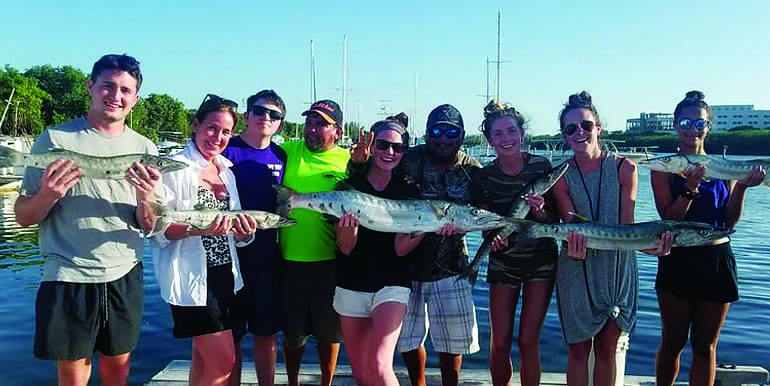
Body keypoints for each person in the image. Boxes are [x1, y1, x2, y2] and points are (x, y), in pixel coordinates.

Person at [14, 54, 161, 386]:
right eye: (108, 85)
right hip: (68, 273)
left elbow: (149, 224)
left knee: (117, 368)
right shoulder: (55, 139)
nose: (116, 95)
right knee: (73, 374)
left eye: (126, 89)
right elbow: (24, 217)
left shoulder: (144, 147)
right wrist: (48, 193)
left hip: (124, 272)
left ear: (135, 98)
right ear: (90, 86)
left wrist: (146, 195)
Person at [350, 103, 481, 386]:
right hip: (405, 267)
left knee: (452, 344)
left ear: (461, 135)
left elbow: (484, 208)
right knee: (409, 340)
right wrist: (359, 161)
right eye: (436, 130)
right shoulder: (408, 158)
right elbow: (370, 179)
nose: (443, 138)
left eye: (451, 132)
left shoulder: (472, 169)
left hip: (452, 267)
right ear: (427, 132)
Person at [550, 91, 672, 386]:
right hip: (576, 267)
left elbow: (626, 227)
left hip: (618, 269)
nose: (579, 133)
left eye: (586, 125)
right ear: (565, 135)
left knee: (607, 349)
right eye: (571, 129)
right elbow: (571, 225)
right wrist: (572, 244)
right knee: (578, 350)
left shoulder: (625, 168)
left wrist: (655, 248)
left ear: (598, 128)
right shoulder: (560, 175)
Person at [651, 91, 766, 386]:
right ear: (676, 125)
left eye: (699, 123)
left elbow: (729, 222)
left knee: (705, 345)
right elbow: (669, 220)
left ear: (708, 127)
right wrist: (690, 188)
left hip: (716, 259)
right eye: (686, 122)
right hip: (678, 258)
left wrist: (740, 189)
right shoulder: (665, 169)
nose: (692, 129)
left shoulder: (721, 166)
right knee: (673, 341)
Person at [150, 94, 258, 386]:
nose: (218, 137)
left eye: (225, 132)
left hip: (227, 276)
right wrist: (201, 229)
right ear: (195, 125)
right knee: (223, 362)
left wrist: (245, 235)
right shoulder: (173, 168)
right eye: (212, 128)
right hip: (193, 277)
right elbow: (158, 229)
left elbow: (233, 234)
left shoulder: (226, 171)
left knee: (203, 360)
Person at [334, 113, 429, 385]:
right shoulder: (350, 187)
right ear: (372, 146)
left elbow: (401, 249)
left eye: (397, 148)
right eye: (383, 145)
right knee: (362, 373)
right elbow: (345, 247)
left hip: (392, 284)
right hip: (351, 281)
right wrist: (349, 226)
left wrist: (427, 226)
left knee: (379, 364)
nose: (390, 152)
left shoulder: (409, 191)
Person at [470, 100, 558, 386]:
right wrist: (491, 240)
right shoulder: (483, 176)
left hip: (540, 263)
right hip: (503, 264)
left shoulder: (541, 167)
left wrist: (541, 210)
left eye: (511, 131)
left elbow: (553, 219)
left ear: (522, 134)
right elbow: (485, 224)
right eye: (498, 134)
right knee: (500, 341)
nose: (506, 139)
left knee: (528, 340)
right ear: (489, 140)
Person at [279, 99, 350, 386]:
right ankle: (293, 382)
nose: (312, 128)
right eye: (309, 122)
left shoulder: (348, 161)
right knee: (292, 333)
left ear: (338, 131)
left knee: (329, 334)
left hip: (331, 262)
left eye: (321, 123)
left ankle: (326, 382)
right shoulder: (286, 151)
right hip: (289, 260)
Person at [222, 89, 287, 386]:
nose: (266, 118)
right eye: (260, 111)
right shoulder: (226, 150)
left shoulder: (282, 156)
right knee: (231, 336)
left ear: (280, 124)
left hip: (267, 260)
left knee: (265, 332)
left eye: (274, 115)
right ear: (247, 116)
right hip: (228, 258)